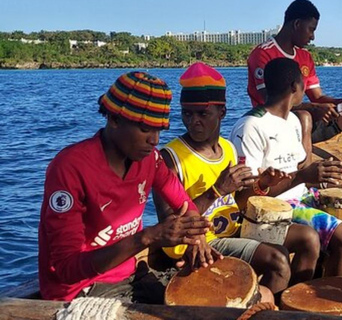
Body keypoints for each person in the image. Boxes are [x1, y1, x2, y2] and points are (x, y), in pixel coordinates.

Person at [38, 71, 216, 302]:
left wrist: (197, 238)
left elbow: (184, 204)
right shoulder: (70, 168)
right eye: (144, 129)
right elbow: (66, 268)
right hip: (82, 290)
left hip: (129, 276)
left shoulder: (150, 160)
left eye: (158, 130)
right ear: (114, 119)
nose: (154, 140)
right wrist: (147, 238)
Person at [154, 62, 320, 296]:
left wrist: (262, 185)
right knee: (278, 260)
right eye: (187, 113)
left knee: (308, 238)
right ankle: (266, 308)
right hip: (201, 243)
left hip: (232, 229)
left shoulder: (228, 149)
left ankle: (284, 306)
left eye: (203, 114)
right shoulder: (170, 158)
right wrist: (216, 191)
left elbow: (238, 204)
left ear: (222, 112)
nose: (194, 121)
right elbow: (170, 227)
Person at [231, 58, 342, 278]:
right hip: (275, 208)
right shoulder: (251, 127)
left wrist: (324, 176)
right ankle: (330, 303)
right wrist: (302, 176)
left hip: (301, 196)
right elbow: (244, 198)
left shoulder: (293, 120)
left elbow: (300, 173)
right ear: (295, 86)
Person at [247, 0, 342, 206]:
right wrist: (312, 108)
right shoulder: (263, 54)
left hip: (306, 125)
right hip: (277, 127)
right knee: (303, 116)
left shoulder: (305, 57)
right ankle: (307, 181)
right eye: (310, 29)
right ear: (296, 24)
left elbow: (318, 98)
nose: (312, 36)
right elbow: (269, 102)